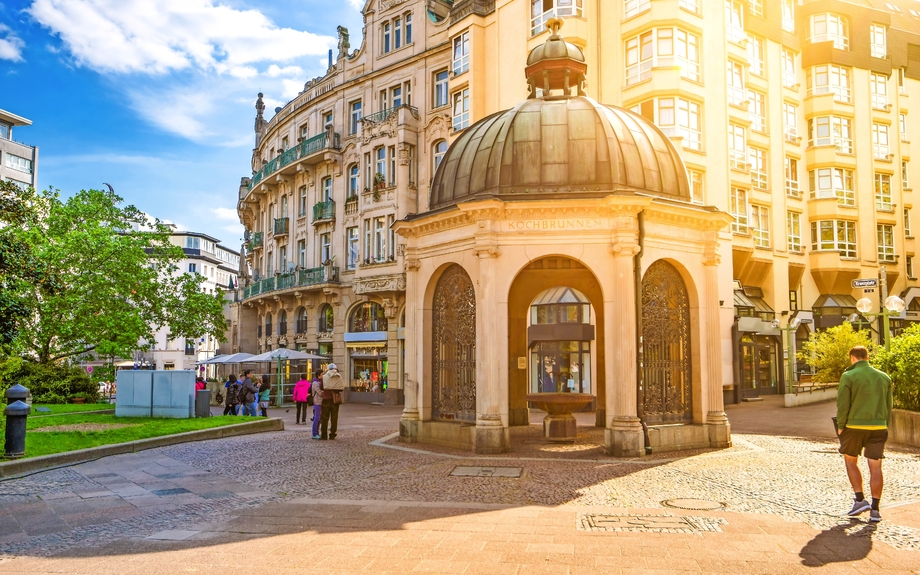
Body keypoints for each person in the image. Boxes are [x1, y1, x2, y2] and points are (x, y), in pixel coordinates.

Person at [837, 345, 893, 523]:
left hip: (854, 426)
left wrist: (840, 425)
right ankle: (875, 510)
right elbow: (888, 405)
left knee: (850, 460)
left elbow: (843, 404)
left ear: (852, 358)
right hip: (878, 427)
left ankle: (860, 500)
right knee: (875, 467)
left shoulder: (848, 376)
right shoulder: (884, 378)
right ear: (867, 357)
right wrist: (885, 424)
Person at [318, 363, 345, 440]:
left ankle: (324, 435)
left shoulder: (324, 377)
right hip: (335, 399)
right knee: (334, 417)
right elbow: (342, 388)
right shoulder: (339, 376)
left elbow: (321, 387)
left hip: (326, 398)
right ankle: (332, 434)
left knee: (325, 417)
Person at [311, 373, 323, 439]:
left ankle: (317, 433)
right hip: (317, 402)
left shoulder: (321, 382)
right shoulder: (315, 383)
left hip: (320, 402)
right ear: (318, 375)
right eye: (322, 374)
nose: (323, 376)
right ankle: (314, 433)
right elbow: (320, 392)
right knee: (316, 418)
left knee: (319, 418)